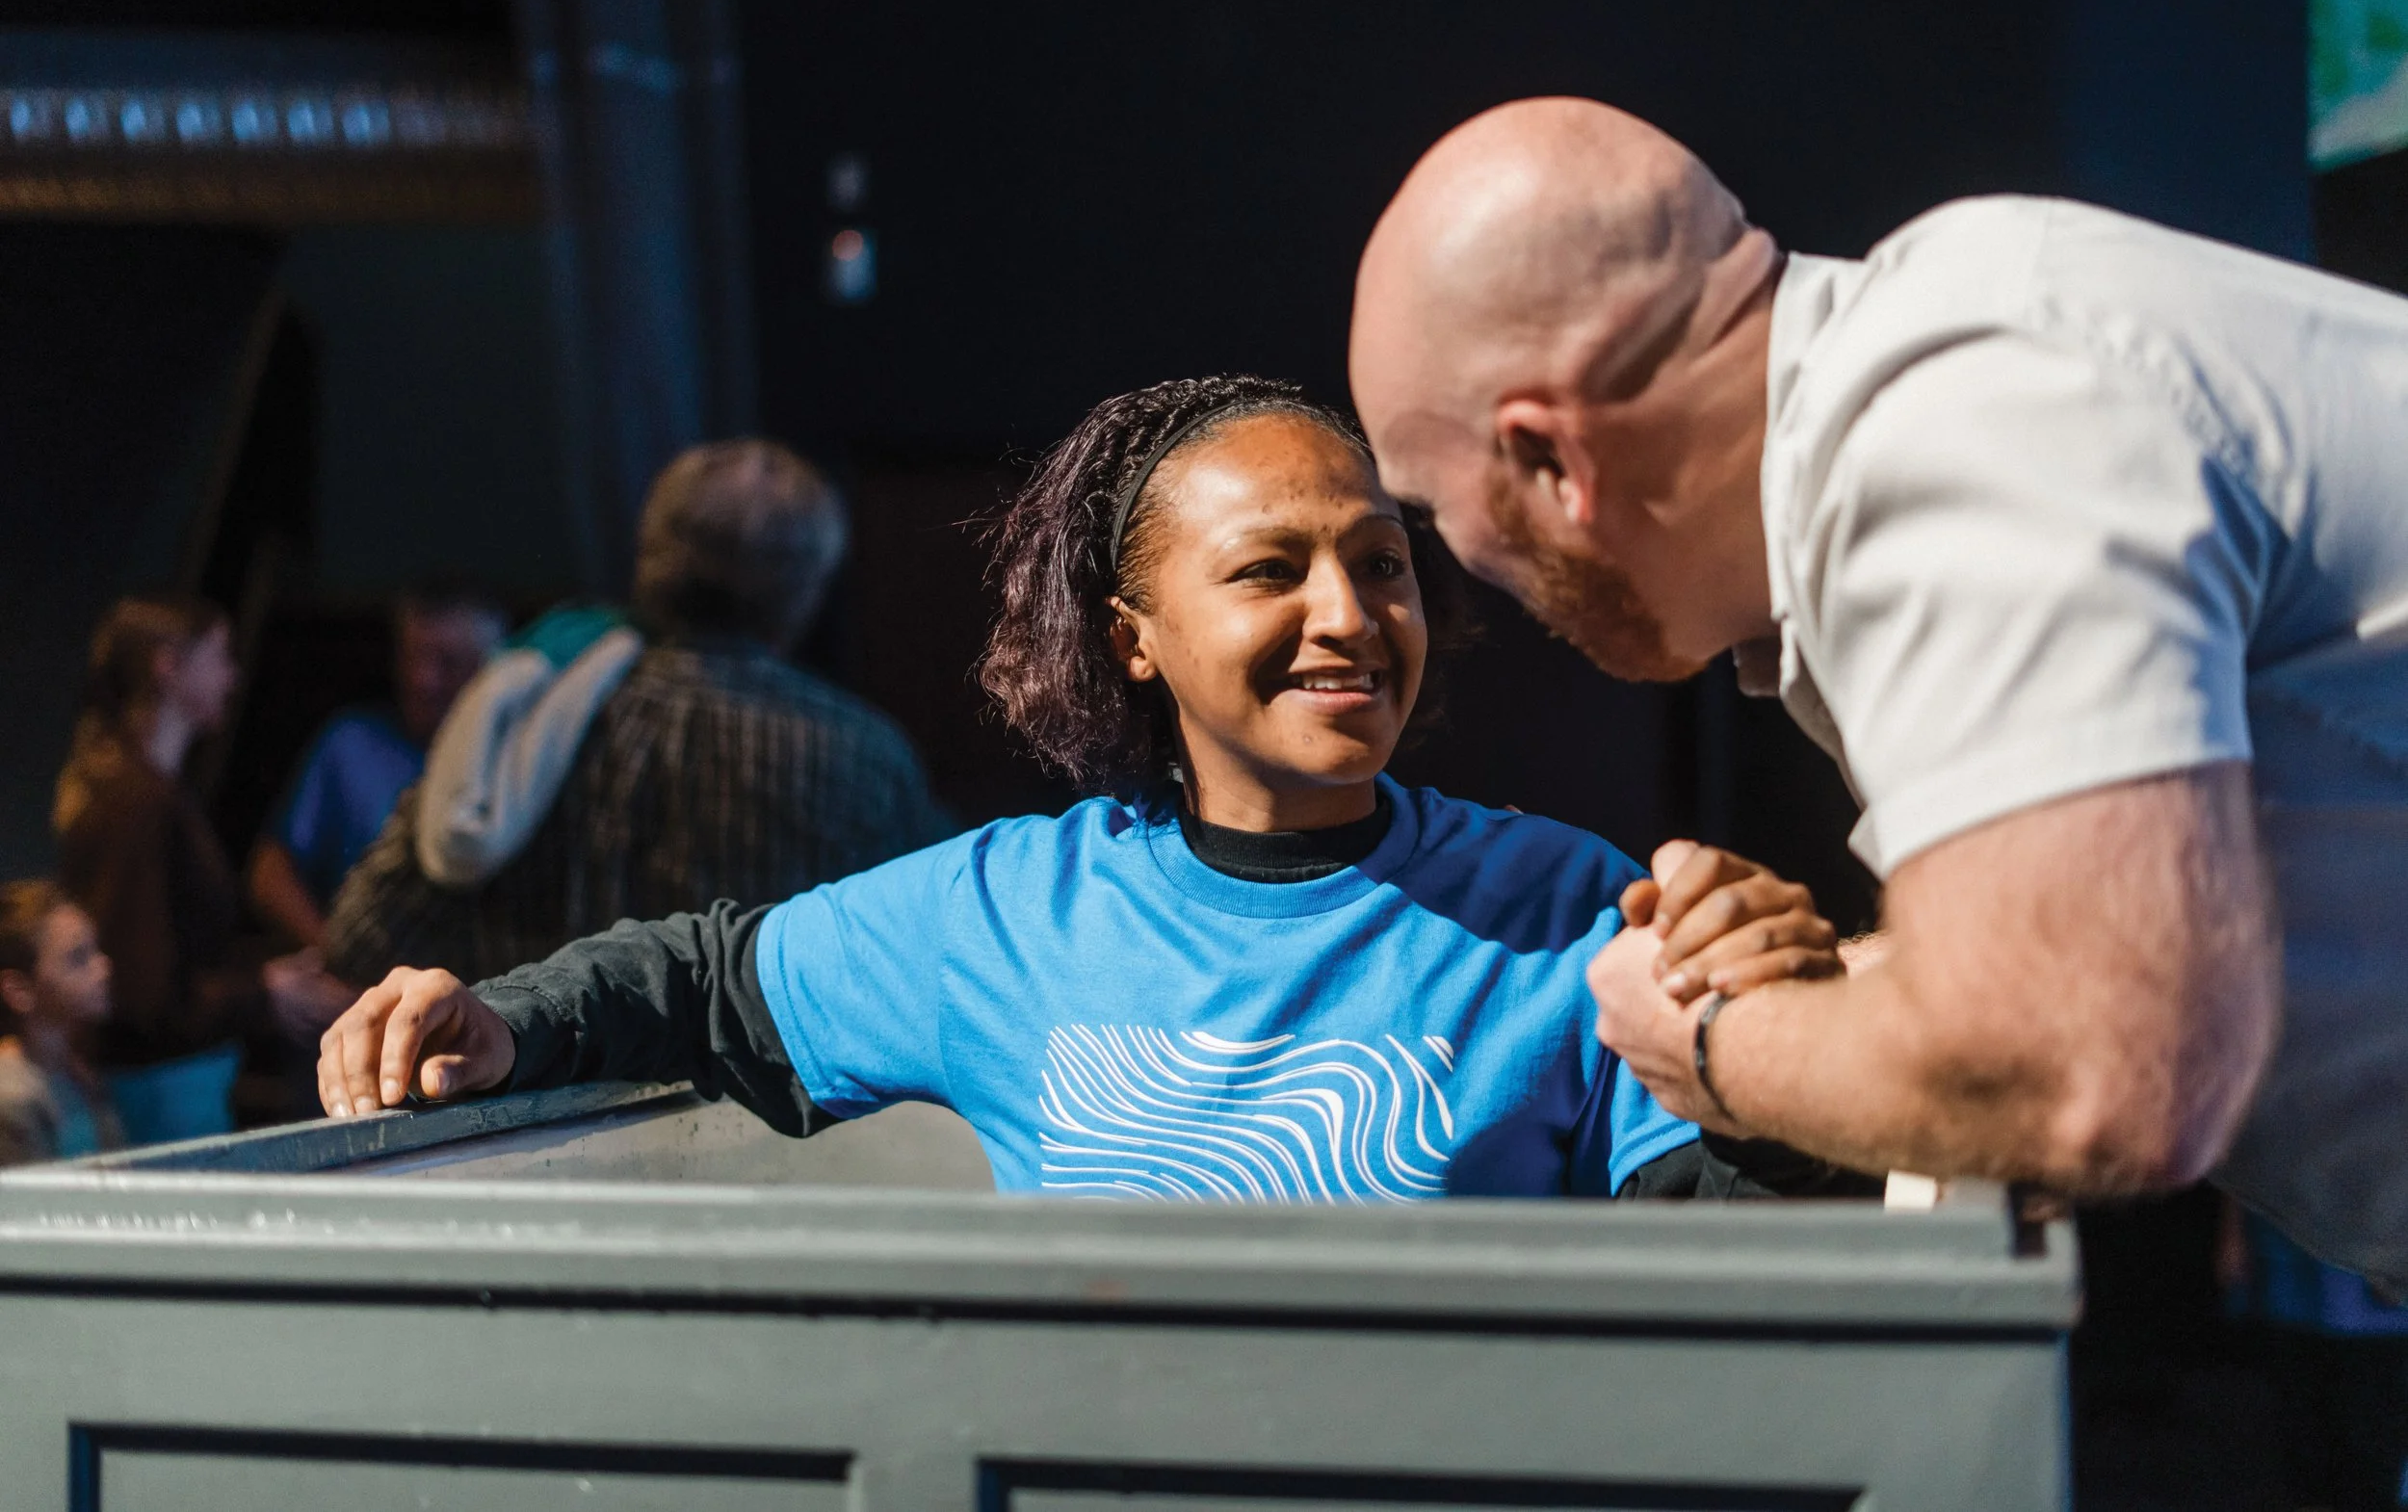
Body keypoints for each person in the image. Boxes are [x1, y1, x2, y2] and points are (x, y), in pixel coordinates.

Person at [315, 377, 1857, 1202]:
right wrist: (504, 1020)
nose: (1349, 612)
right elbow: (713, 981)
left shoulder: (1573, 905)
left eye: (1379, 562)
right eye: (1271, 568)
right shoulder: (1000, 905)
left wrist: (1768, 1049)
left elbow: (1729, 1258)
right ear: (1137, 641)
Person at [1348, 96, 2408, 1285]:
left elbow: (2088, 1074)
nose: (1456, 568)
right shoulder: (1970, 338)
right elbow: (2088, 956)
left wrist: (1709, 1039)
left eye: (1432, 511)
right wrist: (1822, 983)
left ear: (1550, 462)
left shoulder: (1953, 423)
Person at [321, 438, 954, 988]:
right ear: (804, 591)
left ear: (652, 556)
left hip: (546, 1112)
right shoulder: (865, 755)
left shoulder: (533, 722)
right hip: (799, 1121)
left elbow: (360, 936)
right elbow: (938, 949)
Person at [52, 597, 349, 1142]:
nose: (232, 677)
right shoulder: (138, 804)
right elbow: (146, 993)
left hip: (168, 1084)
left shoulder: (149, 793)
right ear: (168, 666)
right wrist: (265, 992)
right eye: (219, 656)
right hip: (158, 1094)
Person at [247, 580, 509, 949]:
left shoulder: (513, 763)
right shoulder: (352, 742)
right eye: (411, 657)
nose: (422, 680)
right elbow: (270, 871)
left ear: (490, 668)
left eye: (447, 662)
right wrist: (335, 957)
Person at [0, 880, 123, 1165]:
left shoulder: (76, 1074)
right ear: (19, 990)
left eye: (96, 949)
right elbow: (32, 1206)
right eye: (79, 958)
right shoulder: (12, 1098)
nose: (104, 967)